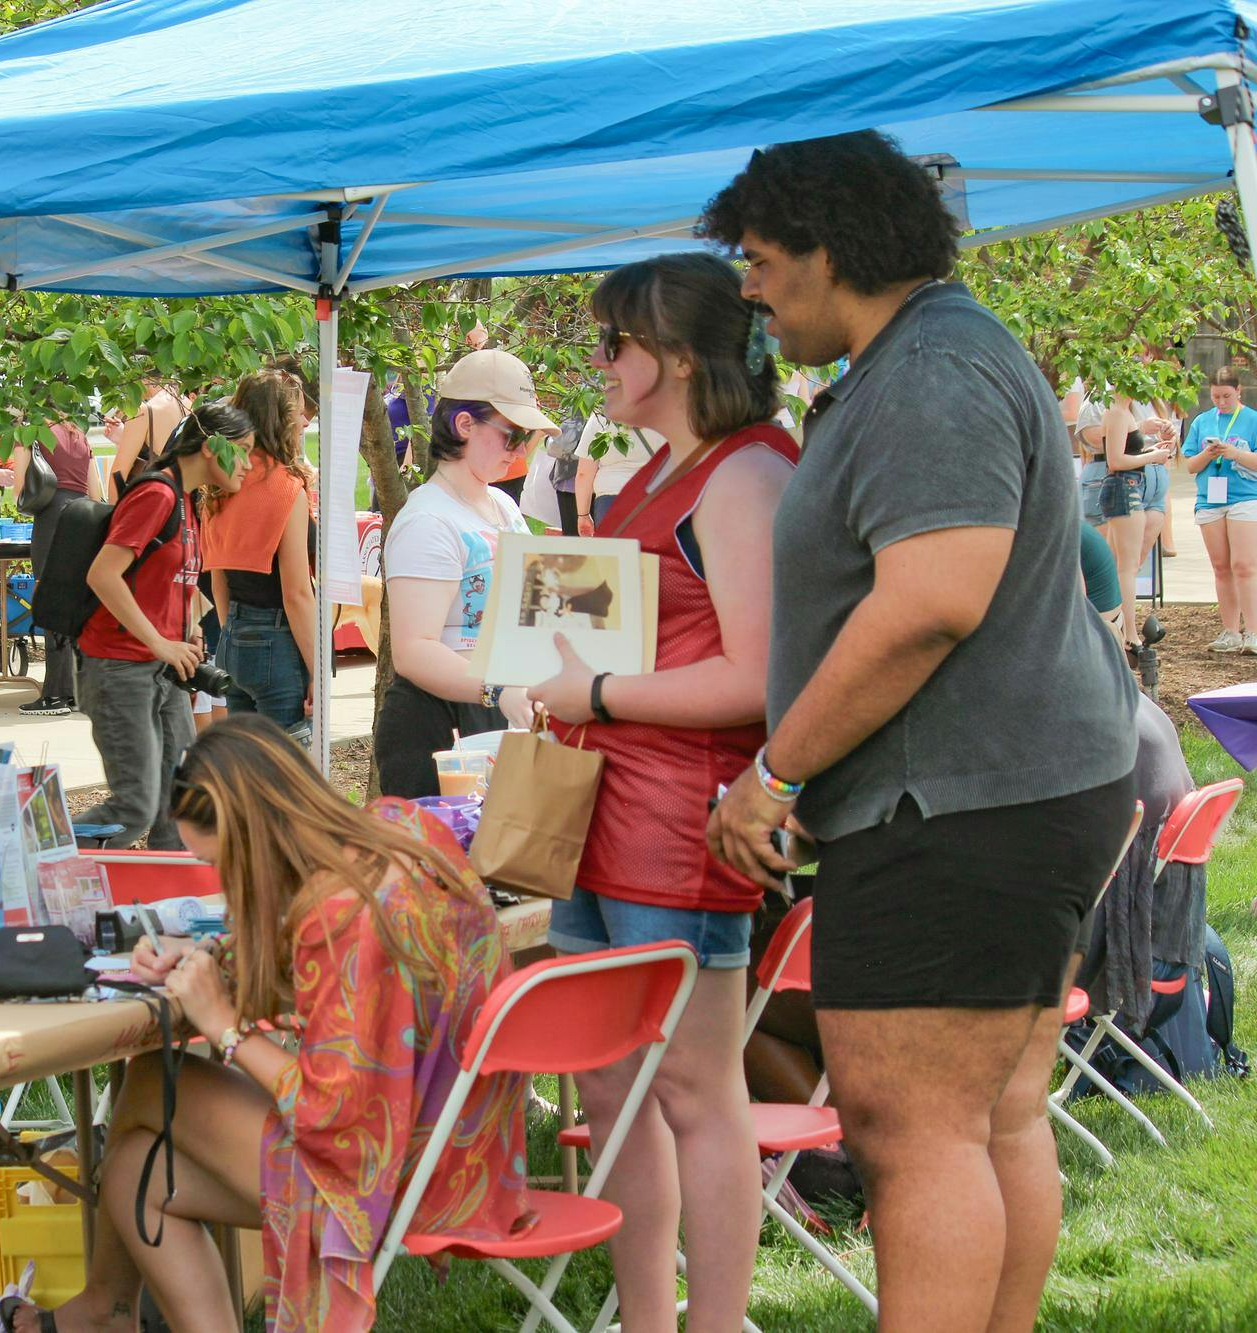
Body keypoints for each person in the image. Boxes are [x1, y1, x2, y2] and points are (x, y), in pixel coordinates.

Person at [700, 131, 1136, 1333]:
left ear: (823, 246)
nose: (744, 285)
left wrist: (773, 771)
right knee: (989, 1117)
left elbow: (929, 600)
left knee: (912, 1132)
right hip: (993, 792)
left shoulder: (929, 370)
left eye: (754, 256)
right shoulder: (928, 354)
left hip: (951, 806)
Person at [4, 716, 533, 1333]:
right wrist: (218, 961)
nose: (220, 881)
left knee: (151, 1077)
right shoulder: (395, 829)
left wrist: (226, 1026)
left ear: (250, 837)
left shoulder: (341, 917)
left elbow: (331, 1112)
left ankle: (101, 1312)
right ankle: (105, 1312)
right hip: (467, 1149)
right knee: (132, 1169)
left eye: (218, 862)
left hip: (400, 1174)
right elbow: (334, 985)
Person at [526, 252, 796, 1332]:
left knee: (690, 1088)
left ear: (675, 356)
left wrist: (592, 684)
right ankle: (648, 1315)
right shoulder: (654, 468)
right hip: (599, 807)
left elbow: (760, 675)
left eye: (612, 342)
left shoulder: (742, 474)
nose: (595, 362)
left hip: (679, 819)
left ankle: (715, 1320)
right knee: (607, 1087)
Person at [376, 349, 556, 797]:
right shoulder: (427, 520)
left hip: (496, 712)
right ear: (464, 425)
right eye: (513, 434)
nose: (520, 450)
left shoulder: (504, 507)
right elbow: (414, 651)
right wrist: (498, 691)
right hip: (439, 726)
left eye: (528, 437)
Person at [76, 401, 252, 849]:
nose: (249, 464)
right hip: (119, 670)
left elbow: (174, 580)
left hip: (162, 670)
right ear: (213, 447)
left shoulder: (188, 502)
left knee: (179, 803)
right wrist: (159, 642)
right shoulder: (157, 494)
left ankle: (168, 906)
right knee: (134, 807)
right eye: (244, 450)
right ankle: (32, 849)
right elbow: (102, 574)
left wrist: (186, 630)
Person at [203, 369, 318, 732]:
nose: (303, 421)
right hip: (278, 639)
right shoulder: (285, 487)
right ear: (280, 420)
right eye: (296, 413)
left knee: (246, 768)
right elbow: (297, 593)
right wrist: (318, 670)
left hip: (233, 635)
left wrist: (231, 633)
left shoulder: (222, 481)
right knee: (283, 770)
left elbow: (218, 577)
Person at [1077, 392, 1175, 657]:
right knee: (1126, 567)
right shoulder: (1117, 412)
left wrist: (1154, 451)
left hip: (1131, 485)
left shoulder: (1123, 412)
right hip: (1125, 487)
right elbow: (1116, 462)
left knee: (1122, 564)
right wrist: (1151, 457)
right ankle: (1129, 636)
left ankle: (1121, 631)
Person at [11, 418, 96, 715]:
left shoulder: (29, 430)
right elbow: (95, 492)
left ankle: (53, 695)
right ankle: (74, 691)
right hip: (84, 515)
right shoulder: (80, 434)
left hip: (51, 517)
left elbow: (19, 490)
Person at [1182, 365, 1257, 653]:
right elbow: (1190, 465)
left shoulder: (1251, 419)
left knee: (1245, 565)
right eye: (1216, 397)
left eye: (1226, 396)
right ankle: (1230, 631)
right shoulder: (1202, 421)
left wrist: (1235, 453)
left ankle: (1252, 630)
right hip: (1210, 500)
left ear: (1239, 391)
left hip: (1245, 497)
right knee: (1221, 567)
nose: (1221, 402)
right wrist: (1208, 453)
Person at [104, 378, 189, 498]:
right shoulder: (189, 405)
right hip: (183, 500)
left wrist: (112, 513)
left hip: (152, 499)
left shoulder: (144, 411)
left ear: (144, 377)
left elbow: (118, 475)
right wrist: (124, 437)